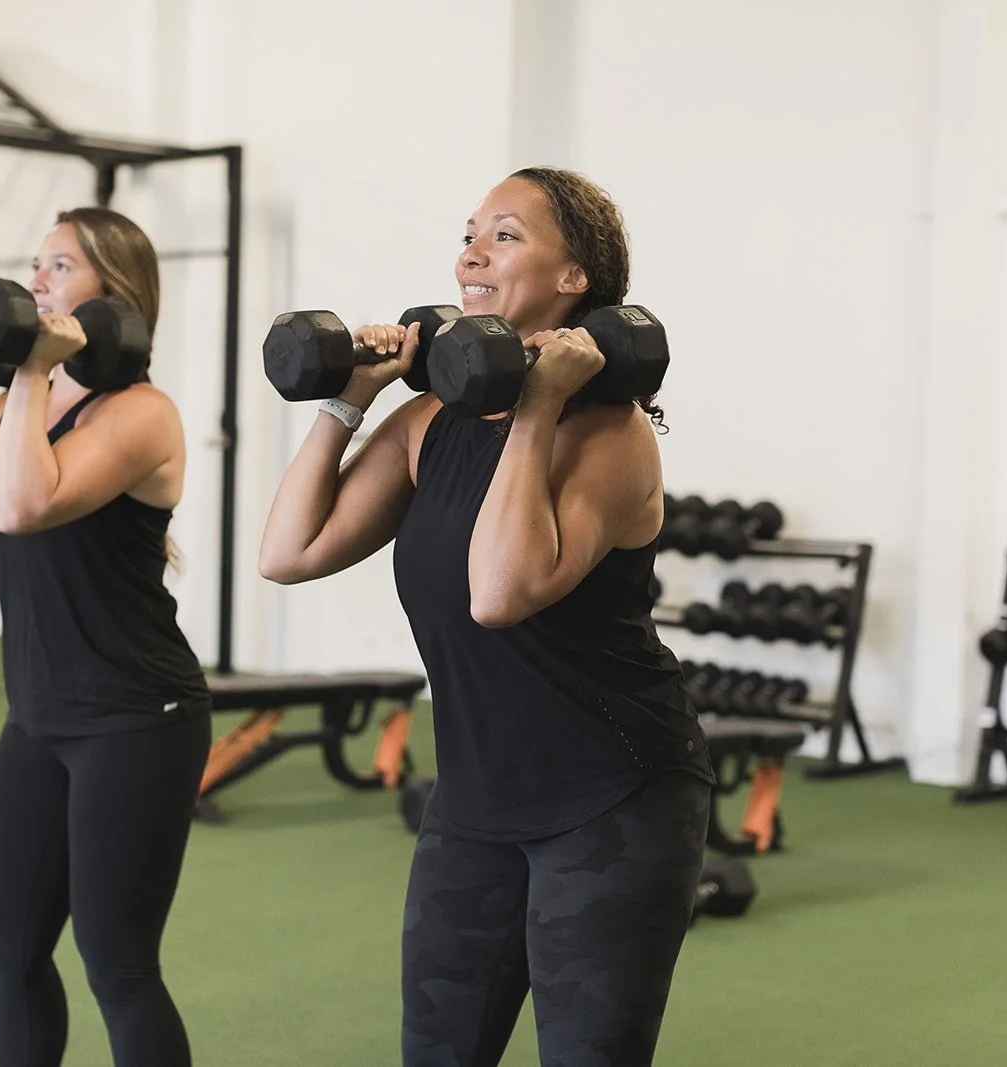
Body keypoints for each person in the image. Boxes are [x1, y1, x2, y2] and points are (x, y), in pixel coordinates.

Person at [259, 167, 717, 1066]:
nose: (472, 252)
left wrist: (540, 403)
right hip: (474, 801)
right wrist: (350, 399)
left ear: (573, 275)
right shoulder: (430, 421)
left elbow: (500, 593)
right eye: (470, 232)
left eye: (505, 235)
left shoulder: (610, 436)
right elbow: (290, 551)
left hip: (612, 796)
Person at [0, 207, 210, 1067]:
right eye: (36, 264)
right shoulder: (27, 405)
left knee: (119, 964)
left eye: (60, 266)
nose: (36, 281)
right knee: (11, 949)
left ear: (111, 294)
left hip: (137, 719)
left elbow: (24, 507)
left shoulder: (143, 415)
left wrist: (26, 374)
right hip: (39, 718)